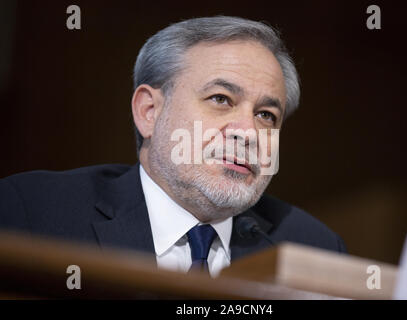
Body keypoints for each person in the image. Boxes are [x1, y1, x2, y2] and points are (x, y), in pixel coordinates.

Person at [0, 16, 346, 277]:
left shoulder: (312, 248)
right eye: (221, 98)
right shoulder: (34, 213)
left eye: (267, 115)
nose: (249, 132)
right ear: (149, 112)